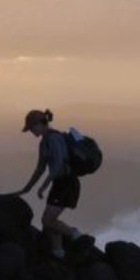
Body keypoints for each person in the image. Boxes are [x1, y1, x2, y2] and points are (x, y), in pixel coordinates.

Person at [10, 109, 84, 259]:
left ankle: (77, 236)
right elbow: (40, 168)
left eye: (32, 128)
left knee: (48, 220)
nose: (31, 131)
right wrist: (26, 189)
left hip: (67, 183)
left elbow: (57, 165)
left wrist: (43, 186)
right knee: (49, 224)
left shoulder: (54, 139)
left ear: (40, 124)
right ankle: (58, 254)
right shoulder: (44, 142)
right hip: (59, 183)